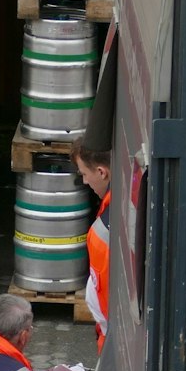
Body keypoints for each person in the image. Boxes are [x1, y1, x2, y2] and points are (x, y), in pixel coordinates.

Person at [74, 139, 112, 349]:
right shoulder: (111, 208)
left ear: (101, 172)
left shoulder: (106, 227)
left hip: (109, 336)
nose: (85, 181)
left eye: (84, 174)